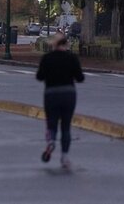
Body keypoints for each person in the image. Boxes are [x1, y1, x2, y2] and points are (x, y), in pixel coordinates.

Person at [36, 33, 84, 169]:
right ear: (66, 44)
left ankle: (51, 140)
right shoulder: (72, 58)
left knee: (51, 122)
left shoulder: (47, 58)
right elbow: (80, 78)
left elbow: (40, 76)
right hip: (68, 93)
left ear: (53, 44)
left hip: (51, 93)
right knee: (66, 126)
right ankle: (64, 156)